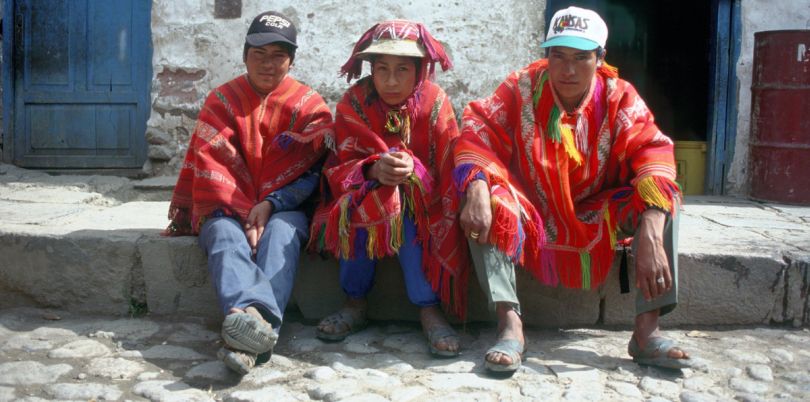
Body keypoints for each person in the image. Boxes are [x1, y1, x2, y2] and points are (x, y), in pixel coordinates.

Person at [454, 6, 692, 373]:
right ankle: (510, 324)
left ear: (600, 59)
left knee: (662, 198)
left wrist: (651, 231)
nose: (567, 70)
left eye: (581, 58)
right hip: (531, 207)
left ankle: (647, 332)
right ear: (546, 55)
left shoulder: (619, 97)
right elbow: (477, 130)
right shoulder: (521, 87)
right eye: (558, 56)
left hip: (595, 207)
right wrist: (478, 186)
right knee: (484, 200)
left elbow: (652, 150)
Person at [164, 11, 332, 375]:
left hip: (286, 208)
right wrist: (244, 211)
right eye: (259, 54)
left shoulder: (309, 107)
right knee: (225, 236)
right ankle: (257, 328)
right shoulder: (220, 102)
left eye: (278, 56)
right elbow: (210, 170)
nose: (268, 65)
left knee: (282, 234)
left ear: (292, 60)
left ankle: (246, 328)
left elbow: (315, 175)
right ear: (244, 55)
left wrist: (272, 203)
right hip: (227, 207)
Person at [309, 20, 468, 357]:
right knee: (358, 208)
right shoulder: (354, 102)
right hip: (367, 199)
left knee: (408, 211)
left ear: (420, 70)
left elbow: (450, 166)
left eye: (402, 70)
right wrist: (371, 169)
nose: (391, 81)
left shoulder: (436, 103)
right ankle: (354, 301)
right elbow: (338, 168)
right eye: (382, 69)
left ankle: (428, 308)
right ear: (370, 69)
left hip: (423, 205)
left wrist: (417, 173)